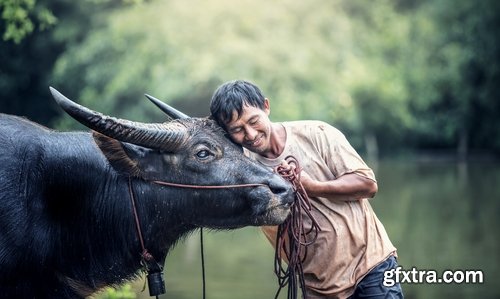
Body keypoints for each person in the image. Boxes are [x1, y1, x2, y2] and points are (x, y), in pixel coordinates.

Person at [209, 80, 403, 299]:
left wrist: (313, 187)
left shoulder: (317, 133)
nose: (251, 135)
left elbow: (367, 185)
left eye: (254, 121)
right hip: (316, 285)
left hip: (370, 267)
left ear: (266, 106)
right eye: (237, 130)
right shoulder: (243, 169)